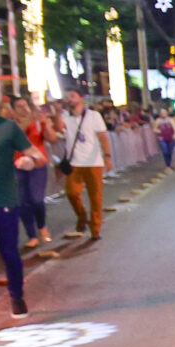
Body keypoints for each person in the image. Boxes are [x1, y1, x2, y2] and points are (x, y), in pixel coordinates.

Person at [0, 86, 34, 329]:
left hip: (3, 203)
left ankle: (17, 296)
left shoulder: (6, 127)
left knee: (10, 254)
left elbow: (34, 153)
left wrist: (29, 160)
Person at [60, 86, 111, 241]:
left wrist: (107, 156)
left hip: (94, 162)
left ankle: (95, 228)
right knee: (71, 193)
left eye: (72, 96)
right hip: (74, 162)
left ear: (81, 98)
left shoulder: (94, 116)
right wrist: (56, 112)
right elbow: (57, 128)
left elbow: (102, 137)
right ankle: (82, 215)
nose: (69, 99)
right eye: (67, 96)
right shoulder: (64, 116)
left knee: (96, 197)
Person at [11, 96, 55, 247]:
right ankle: (32, 235)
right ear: (13, 110)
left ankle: (42, 227)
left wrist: (46, 124)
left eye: (25, 105)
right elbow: (17, 135)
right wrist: (30, 118)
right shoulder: (11, 124)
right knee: (22, 201)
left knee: (37, 199)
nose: (24, 109)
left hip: (37, 165)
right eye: (19, 106)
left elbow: (52, 138)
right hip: (18, 166)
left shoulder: (36, 122)